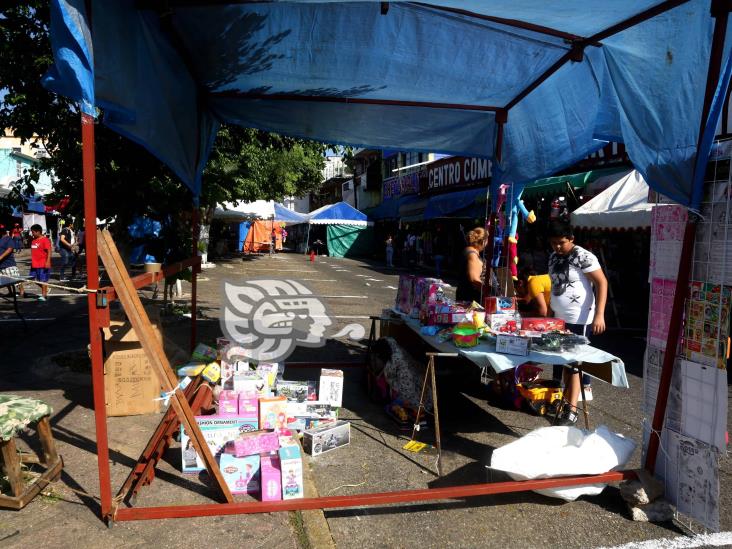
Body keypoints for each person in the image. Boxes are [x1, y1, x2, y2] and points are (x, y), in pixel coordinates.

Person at [547, 222, 607, 425]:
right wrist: (549, 313)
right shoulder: (554, 256)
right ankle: (565, 400)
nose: (557, 247)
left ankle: (571, 409)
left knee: (574, 363)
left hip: (579, 318)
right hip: (558, 317)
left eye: (561, 243)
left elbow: (601, 282)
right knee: (563, 360)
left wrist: (600, 314)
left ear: (571, 239)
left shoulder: (584, 256)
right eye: (553, 243)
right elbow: (553, 284)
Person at [455, 227, 486, 303]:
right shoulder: (473, 255)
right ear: (483, 241)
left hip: (464, 294)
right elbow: (474, 279)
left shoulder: (468, 250)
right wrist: (488, 292)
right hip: (471, 298)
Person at [30, 224, 52, 301]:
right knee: (31, 279)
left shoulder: (45, 240)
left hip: (42, 264)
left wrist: (48, 261)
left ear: (38, 232)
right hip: (34, 264)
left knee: (43, 280)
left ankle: (44, 295)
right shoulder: (33, 241)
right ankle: (46, 289)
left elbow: (49, 251)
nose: (32, 234)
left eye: (33, 232)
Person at [0, 227, 24, 297]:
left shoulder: (8, 238)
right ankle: (10, 292)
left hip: (9, 264)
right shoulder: (0, 239)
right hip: (1, 265)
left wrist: (1, 257)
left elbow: (10, 249)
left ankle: (22, 292)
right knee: (5, 279)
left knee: (15, 279)